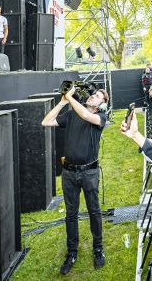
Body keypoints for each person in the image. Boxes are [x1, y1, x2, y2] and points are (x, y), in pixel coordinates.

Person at [41, 84, 109, 275]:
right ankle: (71, 253)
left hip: (89, 173)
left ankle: (98, 249)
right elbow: (46, 122)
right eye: (93, 95)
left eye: (97, 97)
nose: (92, 97)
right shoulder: (71, 115)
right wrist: (63, 103)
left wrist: (70, 98)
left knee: (94, 211)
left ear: (102, 105)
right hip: (69, 173)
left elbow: (87, 116)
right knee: (71, 214)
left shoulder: (100, 117)